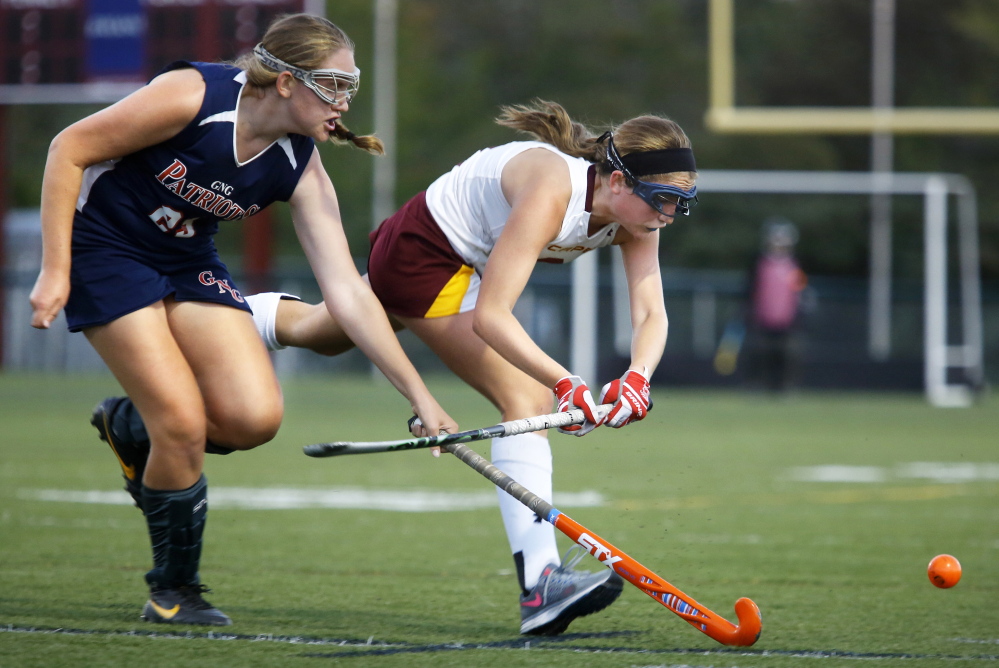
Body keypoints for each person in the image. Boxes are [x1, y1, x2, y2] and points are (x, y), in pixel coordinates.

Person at [27, 13, 456, 627]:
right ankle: (173, 593)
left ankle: (129, 426)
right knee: (180, 423)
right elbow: (68, 149)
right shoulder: (194, 96)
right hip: (104, 250)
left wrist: (420, 395)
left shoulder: (301, 167)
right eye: (333, 84)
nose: (345, 100)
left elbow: (350, 295)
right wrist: (55, 269)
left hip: (186, 260)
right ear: (284, 82)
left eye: (350, 85)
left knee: (253, 418)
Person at [242, 100, 699, 635]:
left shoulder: (638, 215)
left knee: (318, 333)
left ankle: (209, 318)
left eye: (680, 203)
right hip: (427, 254)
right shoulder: (554, 190)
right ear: (618, 181)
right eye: (662, 200)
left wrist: (639, 375)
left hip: (463, 262)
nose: (667, 214)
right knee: (528, 398)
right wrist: (566, 383)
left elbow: (650, 310)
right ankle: (541, 585)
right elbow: (493, 318)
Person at [745, 218, 807, 392]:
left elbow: (799, 290)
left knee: (788, 354)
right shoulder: (759, 263)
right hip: (761, 318)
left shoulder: (795, 265)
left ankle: (786, 386)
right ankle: (757, 385)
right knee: (760, 353)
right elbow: (752, 290)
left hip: (788, 321)